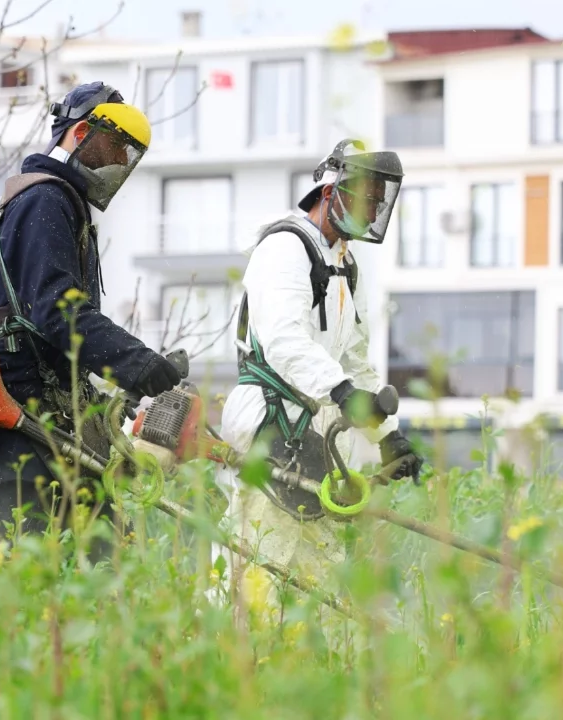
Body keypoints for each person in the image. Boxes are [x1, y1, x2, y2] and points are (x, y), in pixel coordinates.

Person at [0, 82, 182, 555]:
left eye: (128, 153)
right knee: (33, 597)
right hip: (26, 442)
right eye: (114, 146)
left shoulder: (59, 203)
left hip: (46, 437)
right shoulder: (46, 200)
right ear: (81, 131)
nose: (120, 161)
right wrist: (137, 363)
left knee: (99, 574)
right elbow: (58, 312)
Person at [214, 138, 424, 630]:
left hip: (316, 429)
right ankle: (235, 658)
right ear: (333, 191)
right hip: (272, 419)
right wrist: (342, 393)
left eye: (379, 200)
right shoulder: (286, 247)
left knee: (319, 570)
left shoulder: (346, 265)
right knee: (262, 556)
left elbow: (355, 362)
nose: (373, 208)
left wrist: (387, 435)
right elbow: (286, 341)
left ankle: (311, 672)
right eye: (366, 196)